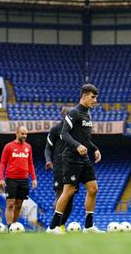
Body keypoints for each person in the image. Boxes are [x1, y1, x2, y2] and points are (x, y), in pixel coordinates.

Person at [47, 84, 104, 234]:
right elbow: (64, 134)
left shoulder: (87, 114)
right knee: (68, 191)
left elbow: (84, 138)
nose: (95, 100)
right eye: (93, 97)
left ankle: (89, 226)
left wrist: (95, 149)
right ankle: (52, 227)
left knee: (93, 188)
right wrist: (77, 146)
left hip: (84, 158)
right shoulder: (74, 112)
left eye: (96, 97)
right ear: (84, 96)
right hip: (71, 157)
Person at [45, 107, 77, 230]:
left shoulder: (75, 130)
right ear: (62, 116)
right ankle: (54, 226)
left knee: (70, 197)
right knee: (60, 195)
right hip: (59, 166)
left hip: (73, 165)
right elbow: (48, 147)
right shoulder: (56, 129)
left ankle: (61, 225)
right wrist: (48, 160)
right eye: (66, 116)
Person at [0, 126, 37, 225]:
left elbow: (30, 163)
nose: (24, 136)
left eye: (26, 134)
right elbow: (2, 163)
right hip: (11, 179)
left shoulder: (28, 147)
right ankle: (9, 226)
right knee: (10, 203)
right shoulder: (8, 146)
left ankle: (14, 226)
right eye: (22, 134)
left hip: (24, 179)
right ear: (16, 133)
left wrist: (34, 178)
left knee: (19, 204)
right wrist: (1, 179)